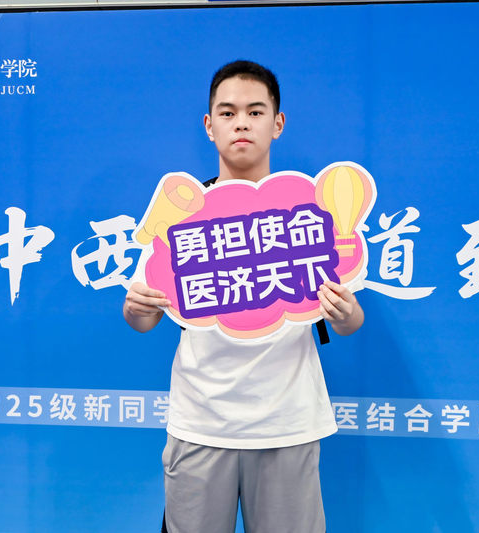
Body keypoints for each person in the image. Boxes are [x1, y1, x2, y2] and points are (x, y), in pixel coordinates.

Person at [123, 60, 364, 533]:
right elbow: (144, 317)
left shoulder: (308, 210)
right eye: (228, 112)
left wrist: (347, 312)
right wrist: (135, 307)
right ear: (208, 125)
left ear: (278, 123)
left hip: (288, 423)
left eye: (255, 112)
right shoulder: (181, 213)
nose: (241, 124)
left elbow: (349, 321)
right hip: (200, 422)